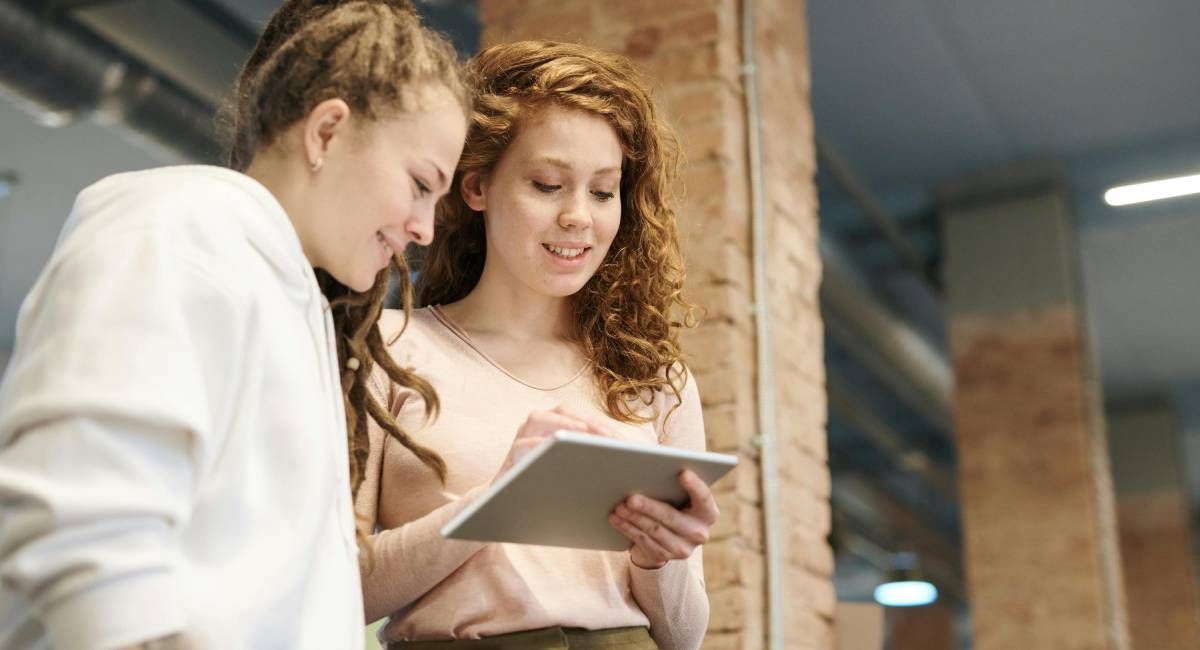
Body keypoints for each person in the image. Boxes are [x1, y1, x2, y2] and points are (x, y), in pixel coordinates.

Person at [0, 2, 466, 648]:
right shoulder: (179, 227)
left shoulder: (283, 291)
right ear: (327, 132)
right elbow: (79, 521)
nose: (425, 227)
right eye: (421, 184)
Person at [356, 41, 718, 650]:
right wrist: (497, 503)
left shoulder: (655, 381)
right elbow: (341, 587)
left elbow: (684, 636)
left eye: (603, 192)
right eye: (548, 184)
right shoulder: (388, 349)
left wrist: (661, 558)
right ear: (476, 187)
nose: (579, 216)